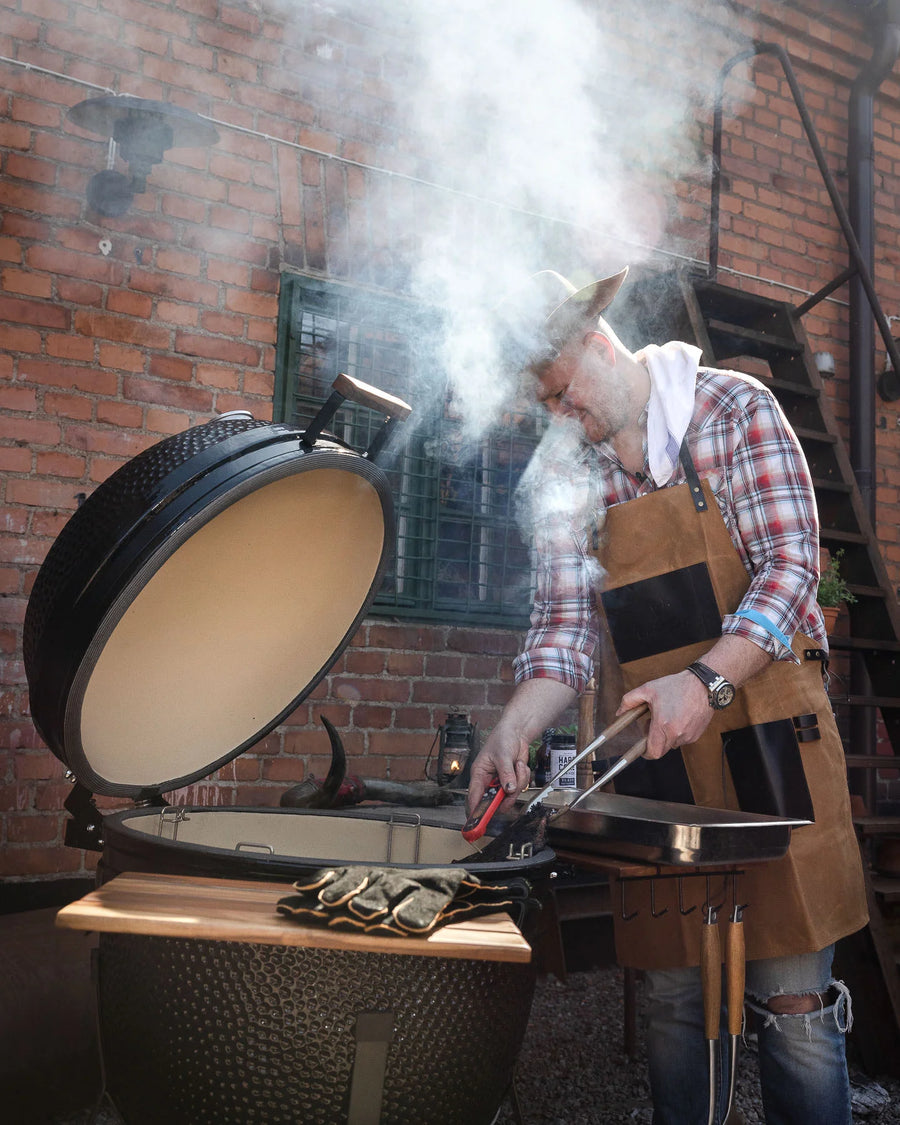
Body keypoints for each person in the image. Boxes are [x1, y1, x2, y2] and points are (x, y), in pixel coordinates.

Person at [465, 267, 868, 1125]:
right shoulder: (559, 480)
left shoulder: (735, 413)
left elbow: (793, 568)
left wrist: (706, 680)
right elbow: (565, 634)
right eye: (545, 405)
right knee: (673, 1002)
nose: (560, 418)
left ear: (601, 344)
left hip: (772, 747)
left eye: (566, 394)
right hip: (656, 767)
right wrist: (513, 727)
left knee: (793, 1008)